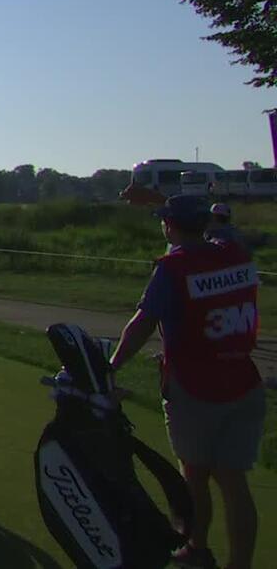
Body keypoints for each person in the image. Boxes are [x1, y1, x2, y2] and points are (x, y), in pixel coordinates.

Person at [108, 195, 263, 569]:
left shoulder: (174, 267)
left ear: (171, 225)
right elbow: (224, 238)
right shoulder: (235, 253)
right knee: (234, 482)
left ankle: (196, 547)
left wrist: (111, 366)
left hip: (195, 386)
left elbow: (143, 323)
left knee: (194, 474)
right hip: (244, 381)